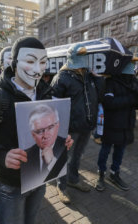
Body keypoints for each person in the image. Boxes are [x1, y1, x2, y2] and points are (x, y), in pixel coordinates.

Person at [0, 36, 73, 224]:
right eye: (30, 61)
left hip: (38, 180)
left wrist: (62, 140)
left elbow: (49, 130)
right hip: (11, 184)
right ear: (15, 63)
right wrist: (1, 155)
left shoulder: (46, 93)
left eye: (43, 62)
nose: (37, 69)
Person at [51, 43, 105, 204]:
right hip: (70, 129)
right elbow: (54, 108)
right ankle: (61, 187)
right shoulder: (61, 78)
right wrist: (62, 130)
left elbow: (100, 96)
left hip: (86, 125)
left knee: (78, 155)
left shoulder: (88, 75)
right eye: (80, 59)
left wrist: (98, 78)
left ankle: (73, 180)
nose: (83, 63)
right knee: (64, 157)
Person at [95, 61, 138, 192]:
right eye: (131, 64)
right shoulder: (111, 82)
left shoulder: (134, 82)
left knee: (120, 151)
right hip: (112, 125)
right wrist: (130, 99)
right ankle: (101, 174)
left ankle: (114, 174)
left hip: (127, 125)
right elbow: (108, 103)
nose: (133, 67)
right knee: (105, 150)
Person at [21, 104, 67, 193]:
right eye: (39, 131)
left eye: (50, 127)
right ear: (32, 134)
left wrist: (52, 161)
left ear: (57, 126)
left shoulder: (65, 145)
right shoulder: (26, 155)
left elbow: (63, 172)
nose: (45, 136)